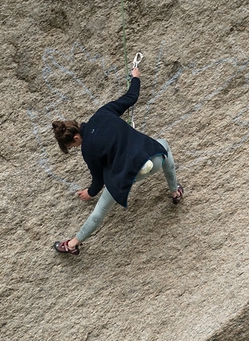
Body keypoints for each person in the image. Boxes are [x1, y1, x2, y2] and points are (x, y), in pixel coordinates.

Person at [52, 67, 183, 255]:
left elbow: (98, 180)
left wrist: (90, 193)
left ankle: (72, 244)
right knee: (164, 146)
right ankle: (175, 191)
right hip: (152, 160)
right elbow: (131, 97)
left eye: (72, 147)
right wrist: (135, 77)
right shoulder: (103, 113)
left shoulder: (87, 150)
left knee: (99, 211)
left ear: (75, 138)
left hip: (127, 175)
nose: (75, 149)